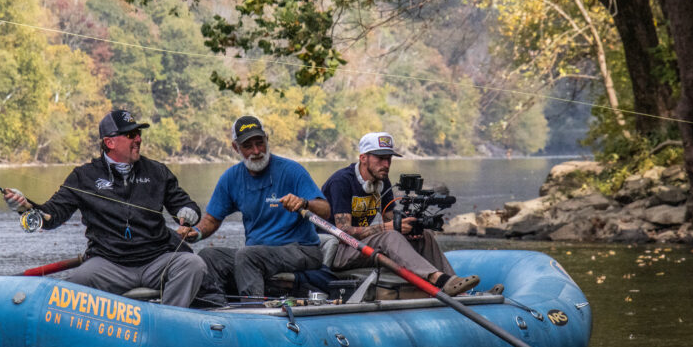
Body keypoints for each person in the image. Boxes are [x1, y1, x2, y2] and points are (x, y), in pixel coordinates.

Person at [2, 109, 206, 307]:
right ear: (110, 142)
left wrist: (188, 212)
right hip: (108, 265)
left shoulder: (158, 171)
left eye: (139, 133)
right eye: (131, 134)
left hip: (157, 260)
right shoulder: (83, 176)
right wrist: (25, 208)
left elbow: (186, 205)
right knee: (76, 284)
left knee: (193, 265)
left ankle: (169, 323)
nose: (139, 139)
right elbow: (51, 216)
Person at [177, 115, 331, 300]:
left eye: (260, 143)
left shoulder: (291, 170)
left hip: (301, 250)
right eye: (248, 146)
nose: (256, 151)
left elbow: (325, 210)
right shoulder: (231, 178)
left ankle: (254, 310)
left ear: (267, 139)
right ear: (236, 148)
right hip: (257, 253)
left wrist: (305, 203)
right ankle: (216, 308)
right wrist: (196, 233)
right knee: (209, 255)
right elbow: (211, 220)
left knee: (248, 255)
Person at [320, 132, 479, 296]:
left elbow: (391, 218)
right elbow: (343, 232)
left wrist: (408, 228)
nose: (386, 164)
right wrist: (390, 227)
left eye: (389, 158)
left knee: (425, 235)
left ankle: (459, 290)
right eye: (380, 158)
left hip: (361, 247)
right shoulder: (342, 181)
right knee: (390, 236)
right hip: (336, 251)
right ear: (363, 158)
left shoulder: (382, 181)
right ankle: (437, 279)